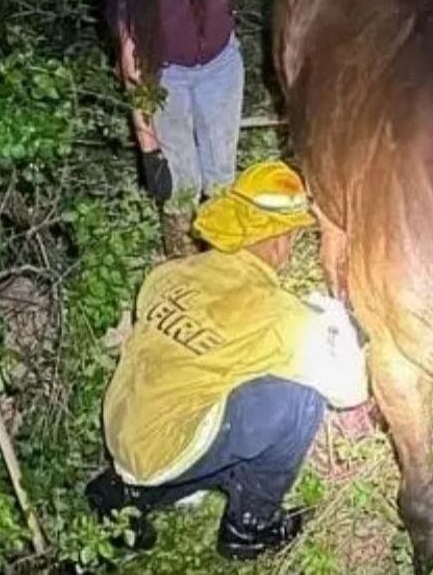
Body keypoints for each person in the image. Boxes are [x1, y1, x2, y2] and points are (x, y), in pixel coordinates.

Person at [85, 160, 369, 561]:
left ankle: (126, 491)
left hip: (122, 426)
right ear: (279, 240)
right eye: (292, 236)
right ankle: (250, 527)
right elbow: (351, 392)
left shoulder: (169, 274)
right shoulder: (278, 314)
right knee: (297, 401)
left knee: (217, 384)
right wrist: (336, 323)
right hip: (167, 446)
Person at [102, 0, 269, 256]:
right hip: (167, 77)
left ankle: (222, 253)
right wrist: (149, 147)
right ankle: (182, 260)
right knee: (180, 181)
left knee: (221, 172)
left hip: (221, 66)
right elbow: (133, 69)